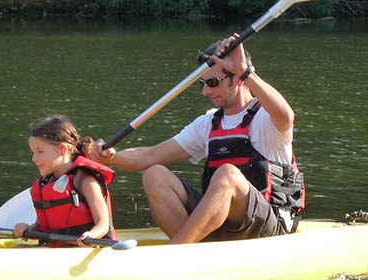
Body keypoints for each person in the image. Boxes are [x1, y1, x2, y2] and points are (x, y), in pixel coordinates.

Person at [89, 34, 305, 244]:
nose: (204, 91)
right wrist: (109, 157)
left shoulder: (265, 117)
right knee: (154, 174)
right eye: (202, 83)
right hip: (222, 226)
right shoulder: (208, 123)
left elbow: (286, 116)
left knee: (228, 174)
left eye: (213, 82)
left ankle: (177, 252)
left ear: (237, 79)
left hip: (269, 227)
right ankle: (191, 249)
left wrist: (245, 71)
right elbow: (149, 156)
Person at [12, 116, 118, 247]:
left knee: (22, 251)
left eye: (40, 151)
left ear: (62, 149)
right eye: (33, 152)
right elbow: (41, 226)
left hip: (87, 249)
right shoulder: (47, 183)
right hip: (57, 249)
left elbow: (103, 224)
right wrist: (28, 228)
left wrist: (92, 235)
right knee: (20, 247)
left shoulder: (85, 180)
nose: (34, 158)